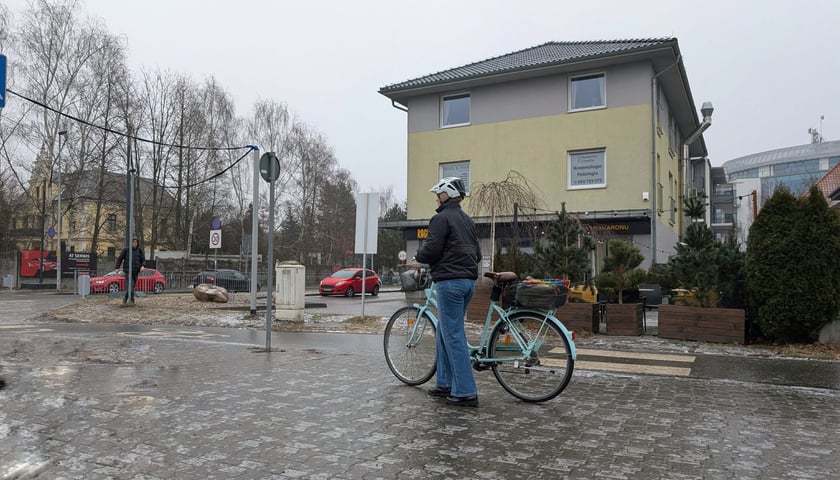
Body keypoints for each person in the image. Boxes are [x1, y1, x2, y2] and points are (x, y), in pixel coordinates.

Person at [415, 177, 482, 407]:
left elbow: (432, 249)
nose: (436, 198)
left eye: (438, 194)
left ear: (446, 195)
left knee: (453, 335)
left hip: (449, 283)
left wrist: (419, 257)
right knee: (445, 330)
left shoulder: (440, 218)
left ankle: (465, 391)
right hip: (468, 283)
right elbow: (478, 255)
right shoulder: (467, 221)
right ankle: (444, 383)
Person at [115, 237, 145, 305]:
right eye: (133, 242)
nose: (134, 244)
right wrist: (117, 267)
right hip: (128, 270)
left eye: (136, 242)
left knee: (132, 286)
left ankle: (125, 297)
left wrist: (142, 266)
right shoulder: (126, 250)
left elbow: (143, 259)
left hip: (136, 271)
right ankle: (132, 300)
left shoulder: (139, 250)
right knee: (130, 285)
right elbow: (120, 259)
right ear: (131, 243)